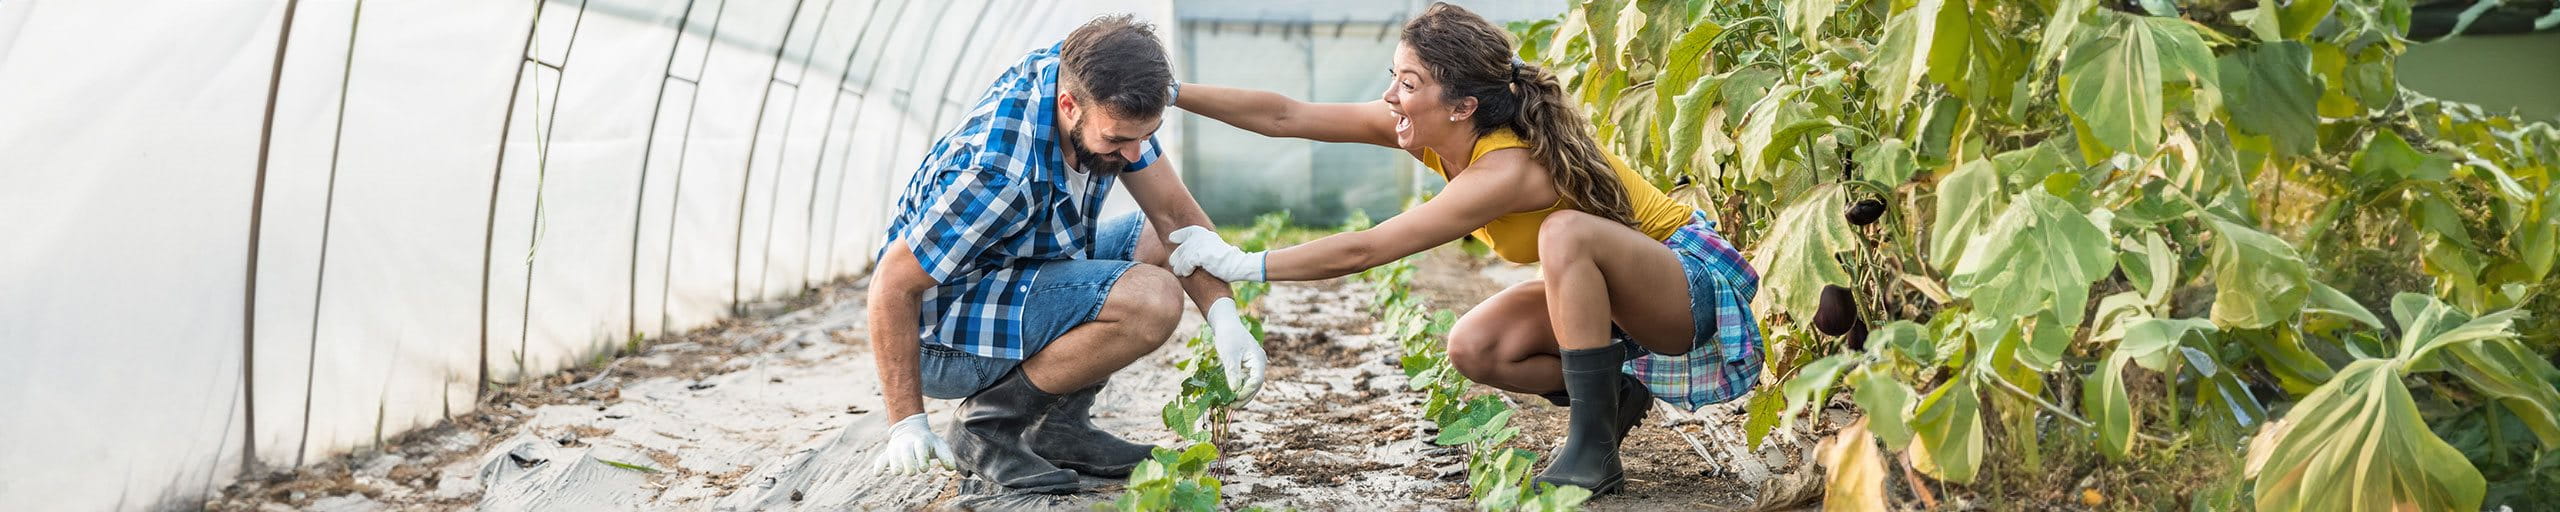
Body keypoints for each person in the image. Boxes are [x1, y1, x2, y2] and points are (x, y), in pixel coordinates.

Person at [1164, 2, 1762, 496]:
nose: (1390, 95)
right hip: (1610, 298)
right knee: (1474, 347)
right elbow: (1283, 115)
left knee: (1565, 232)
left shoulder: (1510, 166)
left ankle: (1593, 451)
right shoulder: (1431, 132)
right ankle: (1613, 398)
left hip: (1688, 287)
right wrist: (1170, 90)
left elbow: (1367, 249)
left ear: (1462, 106)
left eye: (1407, 83)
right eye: (1394, 76)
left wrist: (1242, 264)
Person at [862, 15, 1266, 493]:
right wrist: (906, 421)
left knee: (1167, 240)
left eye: (1147, 134)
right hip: (946, 335)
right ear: (1069, 106)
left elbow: (1177, 218)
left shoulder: (1092, 72)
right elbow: (892, 282)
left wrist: (1224, 316)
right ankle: (986, 429)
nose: (1136, 154)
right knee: (1151, 299)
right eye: (1117, 140)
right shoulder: (1000, 173)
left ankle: (1059, 428)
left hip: (1014, 270)